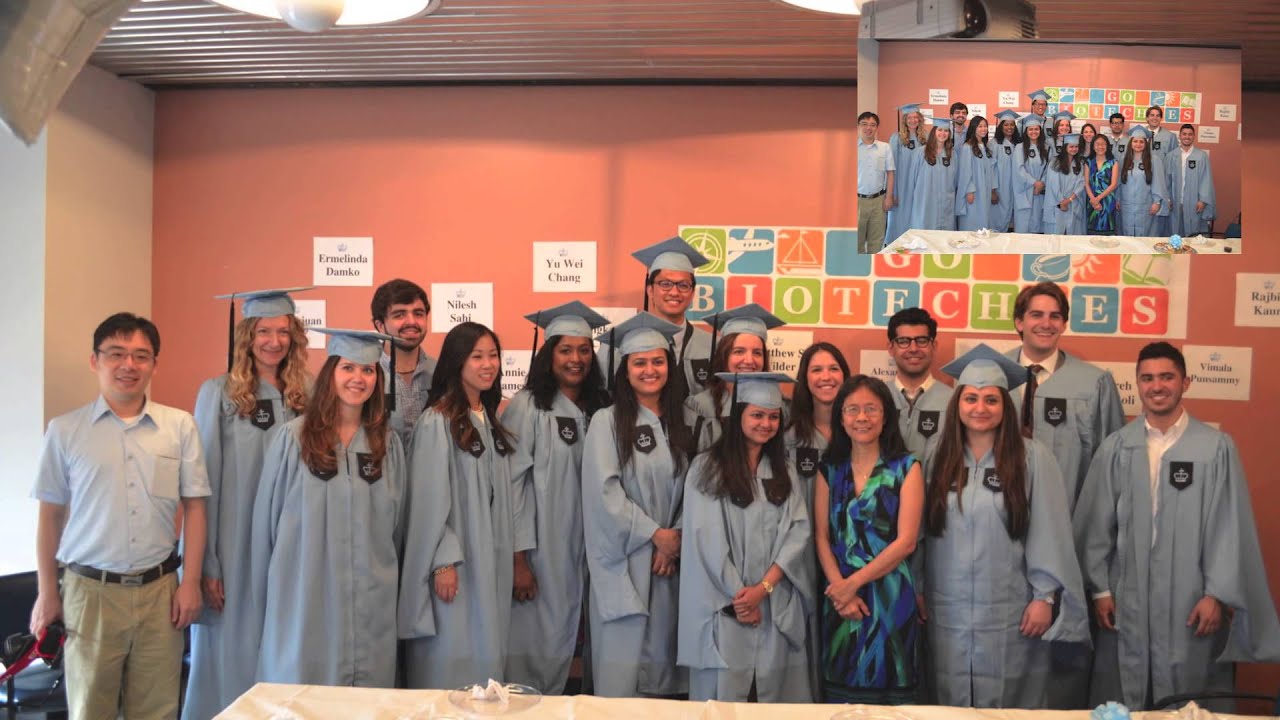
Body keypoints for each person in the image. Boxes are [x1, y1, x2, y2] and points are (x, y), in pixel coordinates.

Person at [1073, 342, 1280, 712]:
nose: (1157, 386)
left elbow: (1228, 528)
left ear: (1185, 382)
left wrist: (1216, 594)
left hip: (1192, 596)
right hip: (1126, 595)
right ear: (1137, 384)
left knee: (1191, 694)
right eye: (1147, 378)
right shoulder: (1117, 447)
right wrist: (1100, 590)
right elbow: (1095, 523)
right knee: (1123, 692)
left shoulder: (1215, 448)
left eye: (1167, 377)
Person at [31, 313, 209, 720]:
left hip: (160, 592)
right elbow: (50, 517)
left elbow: (196, 508)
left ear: (154, 364)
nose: (129, 365)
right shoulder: (65, 431)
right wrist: (47, 593)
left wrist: (191, 583)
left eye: (141, 356)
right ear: (95, 360)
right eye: (116, 354)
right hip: (89, 594)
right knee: (90, 709)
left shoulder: (179, 426)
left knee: (158, 710)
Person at [920, 344, 1089, 708]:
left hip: (1010, 610)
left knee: (1011, 702)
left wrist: (1044, 597)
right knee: (947, 699)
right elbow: (921, 532)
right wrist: (917, 586)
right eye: (971, 399)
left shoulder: (1032, 458)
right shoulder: (936, 453)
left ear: (1005, 406)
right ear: (957, 404)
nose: (980, 408)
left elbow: (1050, 532)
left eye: (991, 400)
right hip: (945, 608)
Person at [247, 328, 407, 687]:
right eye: (349, 368)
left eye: (368, 371)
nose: (358, 379)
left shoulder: (387, 445)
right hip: (306, 589)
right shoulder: (293, 438)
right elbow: (266, 526)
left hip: (371, 591)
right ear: (331, 372)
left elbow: (397, 526)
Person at [184, 289, 311, 720]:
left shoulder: (307, 393)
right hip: (235, 541)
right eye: (263, 331)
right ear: (246, 337)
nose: (274, 341)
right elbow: (201, 485)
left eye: (282, 331)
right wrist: (207, 564)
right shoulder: (218, 394)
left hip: (292, 538)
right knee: (231, 649)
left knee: (286, 642)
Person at [400, 322, 522, 689]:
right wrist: (442, 562)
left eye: (493, 356)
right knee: (453, 650)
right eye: (477, 357)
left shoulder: (487, 419)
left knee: (485, 650)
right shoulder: (437, 421)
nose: (488, 365)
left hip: (490, 558)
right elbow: (427, 500)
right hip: (458, 562)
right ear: (457, 363)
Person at [679, 372, 814, 703]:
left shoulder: (786, 470)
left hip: (774, 604)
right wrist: (743, 598)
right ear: (738, 416)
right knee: (726, 700)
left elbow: (799, 531)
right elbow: (706, 540)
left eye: (772, 417)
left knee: (775, 700)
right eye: (756, 415)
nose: (765, 424)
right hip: (727, 607)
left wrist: (763, 590)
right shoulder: (706, 467)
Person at [582, 313, 695, 697]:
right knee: (625, 672)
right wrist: (654, 535)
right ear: (624, 370)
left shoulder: (689, 420)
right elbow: (604, 492)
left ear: (670, 365)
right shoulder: (607, 421)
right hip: (629, 559)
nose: (650, 370)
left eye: (658, 361)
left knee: (669, 666)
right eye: (639, 362)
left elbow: (699, 486)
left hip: (676, 561)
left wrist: (675, 536)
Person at [504, 302, 612, 694]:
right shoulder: (528, 407)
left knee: (588, 639)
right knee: (539, 643)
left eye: (584, 350)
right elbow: (512, 484)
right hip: (543, 548)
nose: (576, 359)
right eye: (565, 350)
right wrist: (518, 558)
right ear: (548, 355)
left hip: (594, 546)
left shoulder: (603, 408)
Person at [815, 375, 923, 704]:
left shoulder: (907, 467)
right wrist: (841, 591)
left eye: (871, 409)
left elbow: (907, 542)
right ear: (841, 417)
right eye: (852, 409)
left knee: (893, 701)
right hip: (840, 602)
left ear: (886, 415)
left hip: (891, 599)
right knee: (841, 700)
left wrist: (853, 583)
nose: (862, 417)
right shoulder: (829, 470)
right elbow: (821, 536)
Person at [1004, 281, 1125, 511]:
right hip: (999, 514)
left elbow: (1111, 464)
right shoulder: (993, 375)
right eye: (1036, 315)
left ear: (1064, 324)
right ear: (1019, 322)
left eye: (1055, 316)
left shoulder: (1094, 384)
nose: (1046, 324)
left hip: (1067, 516)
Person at [784, 342, 850, 700]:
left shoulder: (860, 430)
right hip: (803, 555)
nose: (826, 377)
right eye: (816, 370)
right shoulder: (788, 437)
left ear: (846, 375)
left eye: (833, 368)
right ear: (804, 380)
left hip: (852, 557)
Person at [599, 237, 712, 399]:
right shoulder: (616, 345)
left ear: (693, 293)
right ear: (650, 290)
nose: (674, 292)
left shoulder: (713, 347)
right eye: (665, 284)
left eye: (683, 285)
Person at [686, 303, 784, 452]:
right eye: (739, 351)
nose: (749, 360)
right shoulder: (699, 406)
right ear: (723, 355)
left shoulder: (777, 408)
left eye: (757, 352)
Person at [371, 279, 438, 452]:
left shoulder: (442, 374)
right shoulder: (366, 376)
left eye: (418, 313)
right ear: (380, 325)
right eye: (399, 315)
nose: (411, 322)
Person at [886, 308, 952, 460]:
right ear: (891, 348)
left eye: (922, 341)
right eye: (903, 341)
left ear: (933, 346)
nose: (913, 349)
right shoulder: (877, 397)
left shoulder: (953, 401)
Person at [885, 103, 929, 244]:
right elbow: (891, 167)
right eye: (909, 117)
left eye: (916, 117)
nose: (913, 120)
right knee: (900, 217)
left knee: (917, 216)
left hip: (920, 185)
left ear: (920, 119)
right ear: (904, 120)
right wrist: (892, 193)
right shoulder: (896, 138)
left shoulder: (926, 138)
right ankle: (897, 245)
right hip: (901, 185)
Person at [1117, 126, 1170, 237]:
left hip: (1146, 205)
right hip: (1127, 205)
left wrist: (1157, 202)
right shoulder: (1123, 160)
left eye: (1141, 141)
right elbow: (1119, 182)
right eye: (1135, 141)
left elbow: (1158, 183)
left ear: (1146, 144)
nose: (1138, 144)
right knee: (1127, 234)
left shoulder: (1154, 160)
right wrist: (1117, 199)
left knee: (1145, 235)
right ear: (1130, 143)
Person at [907, 119, 957, 231]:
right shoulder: (920, 152)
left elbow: (955, 180)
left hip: (946, 200)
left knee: (944, 235)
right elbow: (912, 179)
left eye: (946, 131)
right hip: (925, 200)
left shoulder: (952, 154)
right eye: (940, 130)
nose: (943, 133)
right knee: (925, 230)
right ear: (934, 131)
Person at [1168, 123, 1217, 237]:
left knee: (1194, 231)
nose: (1187, 137)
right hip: (1176, 201)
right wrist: (1168, 198)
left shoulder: (1201, 156)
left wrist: (1203, 200)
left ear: (1194, 136)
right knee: (1176, 231)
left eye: (1190, 134)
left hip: (1194, 202)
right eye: (1184, 134)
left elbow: (1206, 179)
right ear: (1180, 136)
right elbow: (1167, 179)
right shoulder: (1171, 156)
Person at [858, 111, 895, 253]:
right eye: (865, 124)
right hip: (857, 200)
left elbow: (890, 173)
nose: (869, 128)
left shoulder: (884, 148)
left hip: (879, 200)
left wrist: (889, 197)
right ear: (859, 126)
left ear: (877, 128)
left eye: (873, 125)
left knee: (877, 240)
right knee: (856, 241)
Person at [956, 116, 1000, 232]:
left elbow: (991, 170)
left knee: (983, 219)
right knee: (972, 219)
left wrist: (992, 190)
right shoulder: (967, 147)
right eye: (980, 126)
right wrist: (969, 191)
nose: (983, 129)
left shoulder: (986, 147)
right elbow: (965, 171)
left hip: (985, 190)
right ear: (973, 128)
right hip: (975, 191)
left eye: (985, 126)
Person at [1143, 106, 1179, 236]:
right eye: (1151, 115)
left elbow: (1173, 164)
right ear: (1147, 118)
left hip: (1162, 182)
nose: (1154, 118)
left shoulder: (1170, 137)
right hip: (1142, 182)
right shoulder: (1139, 135)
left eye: (1157, 115)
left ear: (1161, 118)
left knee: (1158, 219)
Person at [1042, 132, 1087, 235]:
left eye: (1076, 147)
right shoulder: (1055, 162)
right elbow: (1054, 185)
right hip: (1057, 203)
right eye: (1071, 146)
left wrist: (1070, 199)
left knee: (1071, 235)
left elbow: (1081, 183)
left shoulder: (1079, 163)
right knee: (1055, 236)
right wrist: (1063, 201)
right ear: (1065, 147)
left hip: (1072, 203)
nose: (1074, 149)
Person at [1013, 115, 1049, 234]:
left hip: (1040, 193)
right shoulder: (1019, 148)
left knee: (1037, 224)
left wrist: (1042, 183)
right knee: (1024, 225)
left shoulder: (1046, 147)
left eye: (1036, 129)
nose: (1034, 132)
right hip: (1025, 191)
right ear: (1026, 131)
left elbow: (1049, 169)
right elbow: (1019, 170)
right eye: (1031, 129)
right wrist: (1034, 183)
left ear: (1040, 130)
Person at [991, 109, 1021, 232]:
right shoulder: (994, 143)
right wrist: (992, 190)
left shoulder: (1018, 144)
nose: (1009, 127)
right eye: (1006, 124)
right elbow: (991, 168)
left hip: (1016, 187)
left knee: (1014, 220)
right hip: (1000, 187)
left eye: (1012, 124)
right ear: (1000, 126)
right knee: (998, 218)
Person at [1085, 135, 1120, 235]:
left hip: (1107, 202)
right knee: (1091, 234)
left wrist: (1098, 198)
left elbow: (1113, 184)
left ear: (1107, 146)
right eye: (1097, 144)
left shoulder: (1113, 162)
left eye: (1103, 144)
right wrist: (1093, 199)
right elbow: (1086, 183)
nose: (1100, 147)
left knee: (1107, 234)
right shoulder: (1088, 162)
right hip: (1091, 201)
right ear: (1093, 146)